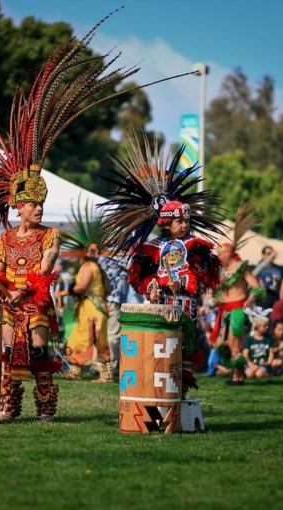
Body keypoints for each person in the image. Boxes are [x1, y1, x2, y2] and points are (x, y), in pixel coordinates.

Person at [0, 20, 143, 422]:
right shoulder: (4, 237)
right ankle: (8, 404)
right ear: (18, 207)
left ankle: (46, 408)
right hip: (8, 303)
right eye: (31, 206)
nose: (37, 210)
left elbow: (44, 270)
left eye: (40, 205)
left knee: (38, 355)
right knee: (6, 356)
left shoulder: (52, 236)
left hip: (35, 303)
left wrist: (22, 294)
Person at [100, 133, 225, 396]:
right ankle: (158, 395)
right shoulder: (152, 248)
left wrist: (188, 283)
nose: (184, 224)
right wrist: (152, 286)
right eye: (179, 221)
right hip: (160, 304)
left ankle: (177, 396)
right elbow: (138, 278)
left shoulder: (195, 246)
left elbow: (205, 273)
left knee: (181, 353)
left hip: (184, 306)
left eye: (186, 220)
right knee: (160, 352)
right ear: (166, 223)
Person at [58, 202, 112, 382]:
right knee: (86, 339)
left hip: (91, 309)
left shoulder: (89, 266)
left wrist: (66, 292)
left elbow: (81, 287)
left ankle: (102, 374)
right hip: (99, 307)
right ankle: (78, 372)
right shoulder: (99, 268)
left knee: (89, 339)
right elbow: (109, 288)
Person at [210, 204, 263, 385]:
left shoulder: (241, 268)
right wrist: (214, 301)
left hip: (238, 311)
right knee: (218, 344)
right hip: (223, 311)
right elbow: (219, 294)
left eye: (220, 255)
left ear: (228, 254)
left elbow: (257, 287)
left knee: (234, 346)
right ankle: (236, 371)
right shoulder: (222, 273)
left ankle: (238, 376)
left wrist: (251, 298)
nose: (218, 257)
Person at [242, 307, 273, 379]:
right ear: (257, 327)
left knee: (259, 374)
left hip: (263, 364)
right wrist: (250, 364)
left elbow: (271, 353)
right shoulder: (249, 338)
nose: (267, 327)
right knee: (249, 374)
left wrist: (268, 362)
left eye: (267, 325)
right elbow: (245, 353)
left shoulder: (268, 338)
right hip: (251, 363)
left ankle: (268, 373)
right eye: (264, 326)